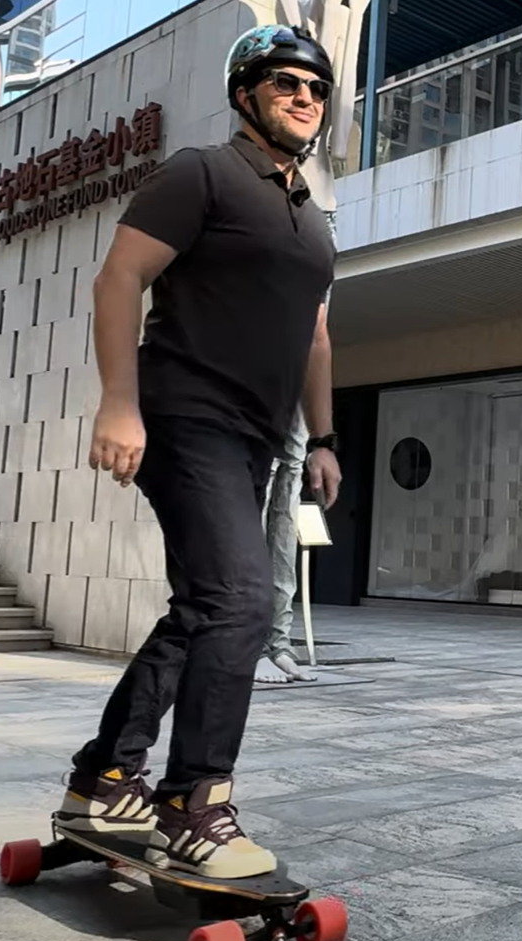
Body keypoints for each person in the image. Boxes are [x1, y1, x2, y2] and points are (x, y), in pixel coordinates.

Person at [54, 24, 342, 880]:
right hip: (184, 413)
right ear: (246, 93)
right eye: (286, 83)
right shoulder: (201, 172)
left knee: (204, 607)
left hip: (257, 435)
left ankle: (102, 779)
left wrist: (321, 437)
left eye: (316, 89)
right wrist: (118, 400)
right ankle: (193, 803)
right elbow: (118, 278)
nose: (304, 98)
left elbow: (316, 338)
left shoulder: (311, 219)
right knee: (246, 598)